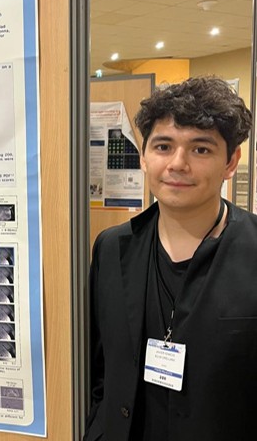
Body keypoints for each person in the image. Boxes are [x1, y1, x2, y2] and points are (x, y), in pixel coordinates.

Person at [84, 76, 257, 441]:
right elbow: (99, 371)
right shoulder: (112, 249)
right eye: (163, 146)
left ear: (230, 162)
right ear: (144, 157)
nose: (178, 164)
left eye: (201, 150)